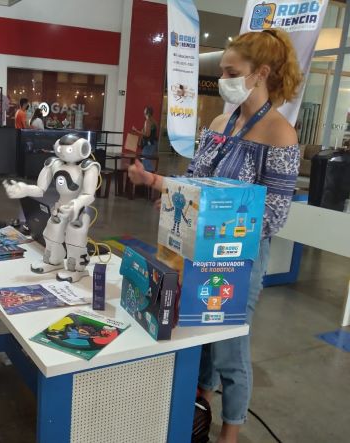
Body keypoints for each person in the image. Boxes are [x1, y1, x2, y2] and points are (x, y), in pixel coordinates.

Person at [128, 29, 302, 443]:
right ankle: (199, 408)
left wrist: (204, 216)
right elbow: (195, 182)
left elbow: (273, 216)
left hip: (239, 262)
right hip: (193, 251)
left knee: (228, 345)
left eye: (230, 71)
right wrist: (161, 188)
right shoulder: (221, 122)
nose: (222, 78)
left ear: (260, 73)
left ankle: (232, 430)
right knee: (195, 334)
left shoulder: (280, 134)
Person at [131, 106, 158, 172]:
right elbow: (152, 133)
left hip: (149, 144)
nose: (143, 111)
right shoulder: (154, 121)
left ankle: (151, 176)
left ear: (147, 112)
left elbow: (147, 134)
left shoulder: (147, 121)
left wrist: (136, 130)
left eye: (145, 110)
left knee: (145, 160)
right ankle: (149, 176)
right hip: (153, 143)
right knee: (146, 159)